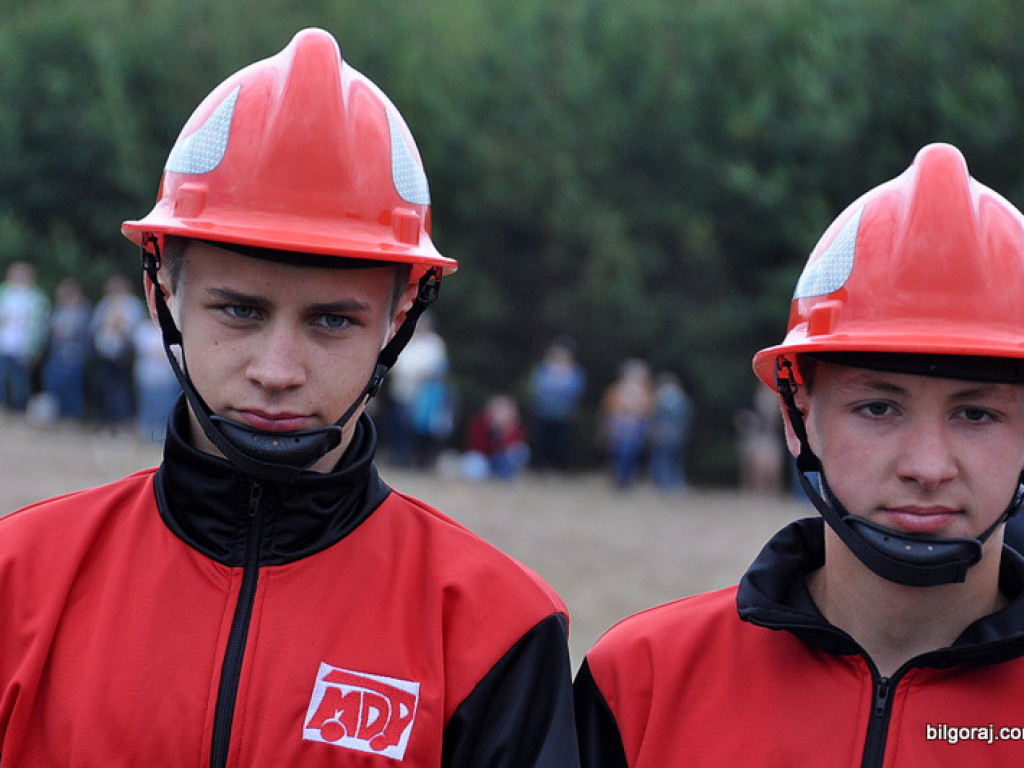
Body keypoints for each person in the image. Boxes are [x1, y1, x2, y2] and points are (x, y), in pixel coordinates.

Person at [0, 29, 578, 767]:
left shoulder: (497, 631)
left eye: (332, 321)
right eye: (240, 311)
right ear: (161, 293)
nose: (277, 371)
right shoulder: (18, 580)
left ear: (399, 320)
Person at [575, 143, 1024, 765]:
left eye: (975, 415)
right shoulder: (641, 681)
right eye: (878, 408)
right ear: (796, 418)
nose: (927, 467)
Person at [528, 336, 586, 471]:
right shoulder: (543, 369)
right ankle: (540, 468)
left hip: (565, 413)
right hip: (543, 412)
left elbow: (576, 390)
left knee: (562, 442)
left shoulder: (575, 371)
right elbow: (537, 388)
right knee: (542, 441)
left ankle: (560, 469)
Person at [0, 261, 50, 412]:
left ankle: (19, 411)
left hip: (24, 348)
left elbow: (42, 326)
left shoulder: (37, 298)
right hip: (3, 344)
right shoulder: (3, 293)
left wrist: (36, 348)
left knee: (20, 383)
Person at [40, 276, 93, 420]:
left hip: (74, 356)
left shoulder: (83, 310)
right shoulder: (58, 309)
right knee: (53, 386)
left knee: (72, 390)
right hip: (56, 355)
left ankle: (72, 418)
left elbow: (81, 333)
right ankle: (55, 417)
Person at [598, 358, 654, 489]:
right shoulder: (615, 389)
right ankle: (616, 479)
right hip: (618, 427)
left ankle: (627, 480)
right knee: (617, 453)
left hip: (636, 428)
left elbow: (649, 410)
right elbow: (608, 408)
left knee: (631, 454)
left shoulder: (647, 392)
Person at [461, 393, 531, 481]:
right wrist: (491, 431)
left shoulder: (515, 427)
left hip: (503, 460)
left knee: (520, 451)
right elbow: (476, 446)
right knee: (473, 462)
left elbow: (514, 448)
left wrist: (505, 433)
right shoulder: (480, 423)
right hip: (484, 458)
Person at [647, 371, 694, 491]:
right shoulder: (683, 399)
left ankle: (665, 485)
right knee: (675, 461)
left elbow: (654, 418)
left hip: (663, 436)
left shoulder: (660, 400)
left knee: (663, 460)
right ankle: (676, 485)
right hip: (678, 435)